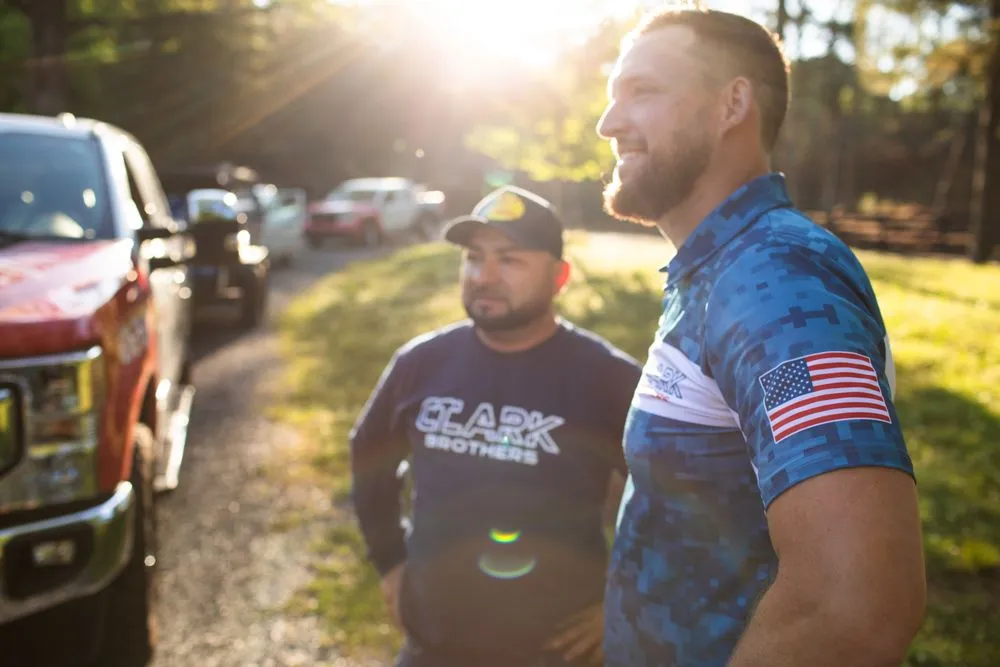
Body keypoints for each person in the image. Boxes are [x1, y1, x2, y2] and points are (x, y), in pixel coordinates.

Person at [595, 7, 926, 667]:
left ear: (732, 105)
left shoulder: (773, 274)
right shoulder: (717, 270)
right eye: (611, 97)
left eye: (643, 91)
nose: (608, 123)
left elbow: (856, 607)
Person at [348, 185, 643, 667]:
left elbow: (675, 507)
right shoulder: (422, 363)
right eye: (472, 258)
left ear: (559, 276)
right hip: (433, 644)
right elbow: (368, 454)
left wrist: (627, 601)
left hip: (556, 650)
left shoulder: (608, 378)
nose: (483, 276)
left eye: (509, 260)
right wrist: (389, 562)